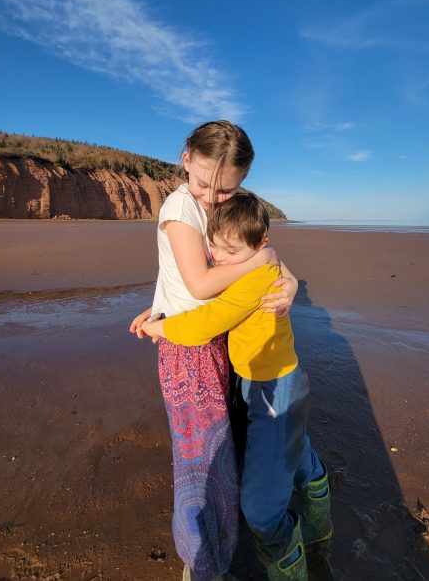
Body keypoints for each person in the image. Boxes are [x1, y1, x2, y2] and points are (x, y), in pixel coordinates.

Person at [129, 121, 297, 581]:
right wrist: (265, 262)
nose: (209, 197)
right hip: (188, 347)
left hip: (214, 342)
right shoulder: (181, 208)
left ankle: (222, 545)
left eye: (224, 191)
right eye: (203, 182)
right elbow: (202, 284)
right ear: (186, 159)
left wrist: (288, 275)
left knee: (224, 448)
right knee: (200, 463)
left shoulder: (218, 207)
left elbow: (244, 246)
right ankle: (201, 562)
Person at [140, 192, 332, 581]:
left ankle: (290, 552)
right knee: (287, 442)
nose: (216, 258)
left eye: (228, 251)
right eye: (212, 246)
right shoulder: (251, 261)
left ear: (258, 245)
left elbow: (205, 322)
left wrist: (158, 327)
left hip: (275, 389)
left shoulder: (255, 277)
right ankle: (317, 504)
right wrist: (161, 305)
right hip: (262, 380)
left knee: (261, 510)